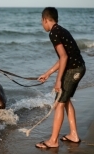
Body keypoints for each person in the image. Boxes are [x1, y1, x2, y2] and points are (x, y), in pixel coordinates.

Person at [35, 7, 86, 148]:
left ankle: (53, 141)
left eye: (41, 21)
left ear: (45, 19)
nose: (42, 24)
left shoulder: (54, 33)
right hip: (79, 67)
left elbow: (64, 57)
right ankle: (74, 134)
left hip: (73, 70)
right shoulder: (62, 30)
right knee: (66, 99)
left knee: (59, 103)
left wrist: (58, 80)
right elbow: (65, 56)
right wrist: (48, 73)